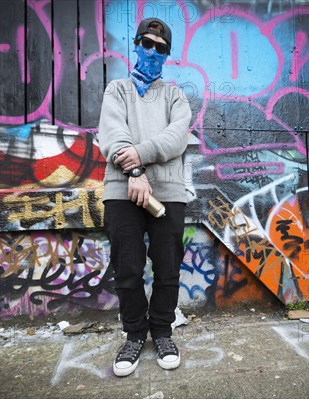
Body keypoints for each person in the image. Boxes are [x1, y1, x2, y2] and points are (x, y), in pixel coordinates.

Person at [97, 17, 192, 377]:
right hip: (121, 191)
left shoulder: (175, 96)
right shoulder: (116, 90)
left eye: (161, 47)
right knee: (128, 268)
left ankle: (162, 331)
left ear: (168, 54)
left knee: (168, 267)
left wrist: (141, 156)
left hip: (168, 192)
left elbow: (176, 137)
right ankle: (135, 334)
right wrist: (134, 172)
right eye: (146, 43)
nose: (152, 51)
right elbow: (112, 133)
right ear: (135, 44)